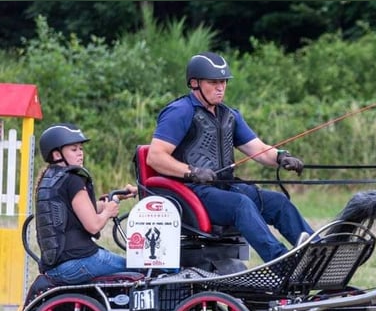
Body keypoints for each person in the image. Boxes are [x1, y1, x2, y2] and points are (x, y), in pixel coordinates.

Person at [146, 51, 314, 265]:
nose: (220, 87)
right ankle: (281, 263)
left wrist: (281, 157)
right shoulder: (179, 112)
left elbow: (258, 149)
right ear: (194, 83)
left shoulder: (229, 115)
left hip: (226, 188)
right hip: (193, 192)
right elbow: (155, 157)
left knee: (278, 202)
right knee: (240, 205)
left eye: (224, 82)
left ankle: (316, 254)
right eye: (213, 82)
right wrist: (193, 171)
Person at [34, 123, 138, 284]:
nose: (80, 153)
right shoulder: (73, 180)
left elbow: (81, 211)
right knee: (140, 270)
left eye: (81, 149)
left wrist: (117, 197)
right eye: (73, 150)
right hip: (78, 262)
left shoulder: (51, 179)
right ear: (56, 154)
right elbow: (93, 225)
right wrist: (108, 212)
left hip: (57, 266)